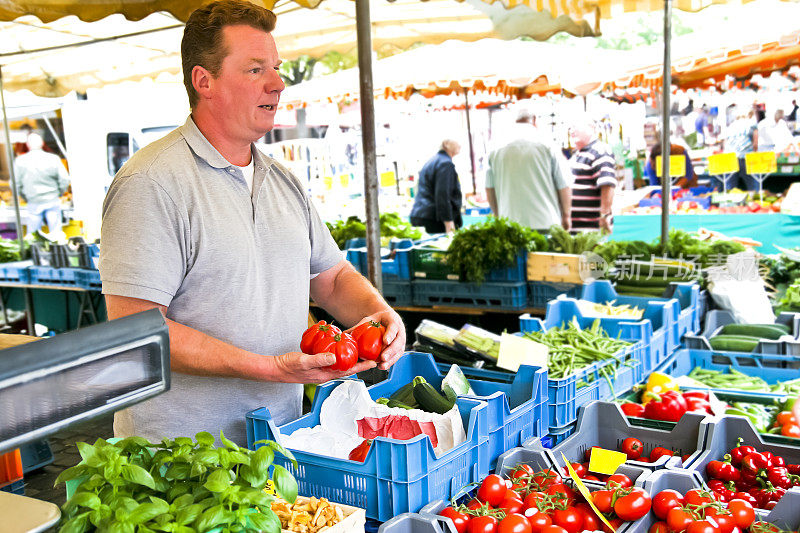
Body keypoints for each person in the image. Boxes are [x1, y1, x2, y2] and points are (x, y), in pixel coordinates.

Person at [99, 0, 406, 445]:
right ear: (204, 81)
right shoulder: (151, 182)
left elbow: (332, 277)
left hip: (276, 441)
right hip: (181, 460)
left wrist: (378, 314)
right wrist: (271, 368)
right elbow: (136, 329)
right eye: (255, 70)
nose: (278, 84)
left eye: (276, 68)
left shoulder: (283, 181)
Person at [485, 109, 572, 232]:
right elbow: (563, 185)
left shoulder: (495, 147)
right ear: (535, 120)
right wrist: (566, 216)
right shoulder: (548, 144)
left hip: (509, 224)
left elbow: (489, 188)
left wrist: (498, 215)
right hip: (545, 222)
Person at [13, 133, 70, 238]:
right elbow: (65, 179)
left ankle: (38, 253)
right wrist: (59, 193)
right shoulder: (53, 159)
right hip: (52, 200)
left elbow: (15, 183)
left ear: (28, 145)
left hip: (33, 201)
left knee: (34, 237)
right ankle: (56, 253)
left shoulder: (20, 161)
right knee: (56, 235)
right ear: (42, 143)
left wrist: (25, 197)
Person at [568, 121, 617, 233]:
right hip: (577, 230)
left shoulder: (600, 150)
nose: (572, 130)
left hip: (591, 231)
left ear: (591, 128)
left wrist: (604, 216)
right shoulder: (578, 154)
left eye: (575, 126)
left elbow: (607, 184)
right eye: (570, 127)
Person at [409, 139, 462, 234]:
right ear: (446, 144)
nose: (460, 145)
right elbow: (442, 194)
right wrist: (449, 223)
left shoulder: (432, 161)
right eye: (457, 142)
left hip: (421, 215)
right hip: (434, 219)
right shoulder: (445, 164)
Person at [724, 109, 758, 191]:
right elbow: (755, 143)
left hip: (730, 157)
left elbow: (725, 142)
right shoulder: (751, 124)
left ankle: (730, 202)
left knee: (731, 186)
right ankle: (753, 200)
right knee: (753, 184)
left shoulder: (731, 126)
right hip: (745, 157)